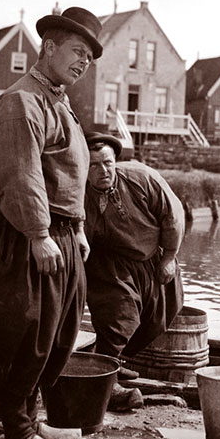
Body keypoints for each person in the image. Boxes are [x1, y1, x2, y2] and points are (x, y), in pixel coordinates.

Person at [0, 6, 103, 439]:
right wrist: (39, 233)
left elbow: (72, 172)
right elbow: (19, 174)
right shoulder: (22, 101)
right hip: (29, 236)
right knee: (25, 337)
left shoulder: (59, 100)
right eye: (76, 50)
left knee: (57, 337)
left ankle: (32, 419)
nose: (83, 61)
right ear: (48, 46)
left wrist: (81, 228)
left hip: (63, 234)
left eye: (89, 56)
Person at [83, 132, 185, 411]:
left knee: (162, 314)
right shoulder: (75, 189)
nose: (103, 171)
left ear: (116, 160)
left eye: (107, 163)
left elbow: (173, 215)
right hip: (106, 263)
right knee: (120, 318)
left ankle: (113, 363)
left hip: (151, 258)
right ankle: (106, 380)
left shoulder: (142, 178)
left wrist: (170, 257)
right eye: (93, 165)